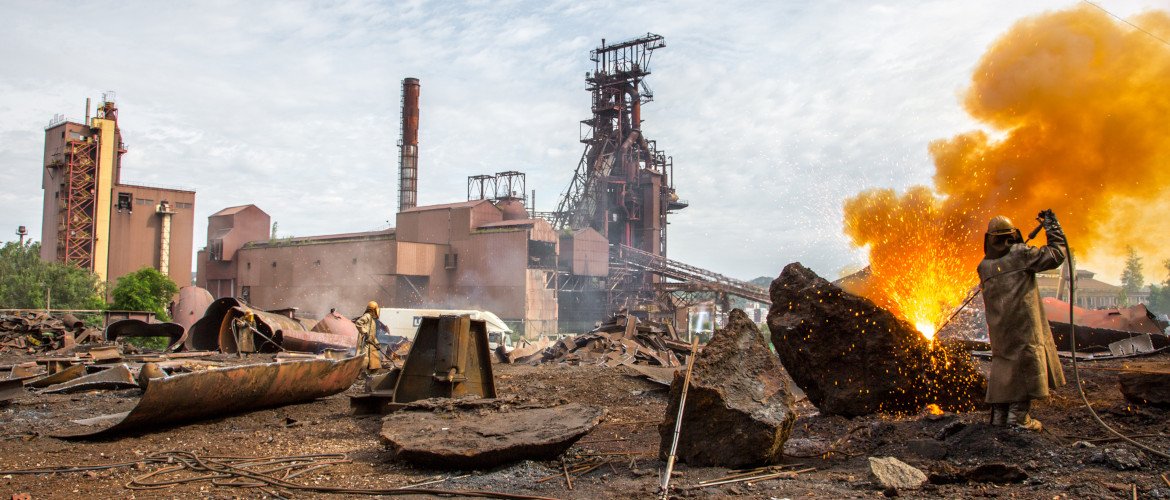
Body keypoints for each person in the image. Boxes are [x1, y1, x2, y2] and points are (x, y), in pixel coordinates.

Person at [977, 211, 1067, 431]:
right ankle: (1019, 419)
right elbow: (1057, 255)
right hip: (1023, 326)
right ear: (1012, 234)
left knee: (1003, 366)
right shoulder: (1021, 254)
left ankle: (999, 417)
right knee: (1026, 365)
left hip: (999, 330)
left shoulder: (984, 266)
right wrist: (1052, 227)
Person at [354, 301, 383, 371]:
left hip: (370, 344)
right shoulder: (367, 316)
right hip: (365, 343)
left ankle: (369, 374)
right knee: (364, 359)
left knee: (375, 360)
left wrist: (377, 343)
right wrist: (365, 332)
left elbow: (372, 335)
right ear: (373, 309)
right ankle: (360, 375)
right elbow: (358, 323)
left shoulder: (372, 320)